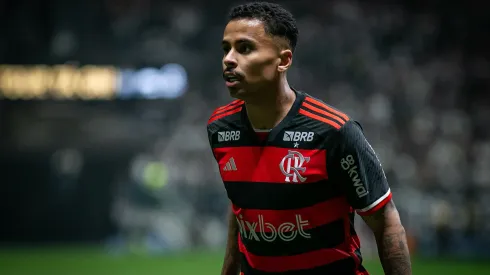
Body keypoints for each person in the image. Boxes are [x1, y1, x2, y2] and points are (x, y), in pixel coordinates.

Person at [207, 2, 412, 275]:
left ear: (284, 60)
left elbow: (385, 220)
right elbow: (241, 206)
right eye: (226, 48)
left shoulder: (333, 131)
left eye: (244, 48)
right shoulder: (219, 128)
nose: (229, 59)